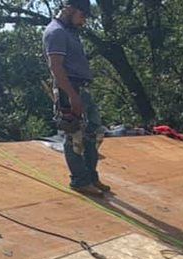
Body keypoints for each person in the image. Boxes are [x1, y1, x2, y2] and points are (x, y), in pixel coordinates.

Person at [44, 0, 108, 196]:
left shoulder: (69, 32)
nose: (83, 22)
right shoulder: (56, 32)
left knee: (93, 132)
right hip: (69, 88)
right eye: (82, 16)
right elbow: (56, 67)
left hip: (82, 88)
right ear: (70, 9)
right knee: (74, 135)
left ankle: (91, 176)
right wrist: (72, 96)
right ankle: (80, 180)